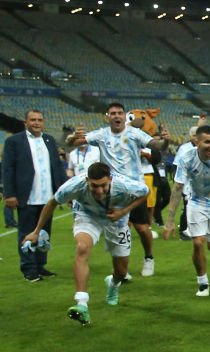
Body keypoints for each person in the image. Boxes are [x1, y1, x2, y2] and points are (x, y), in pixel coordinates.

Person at [21, 162, 148, 324]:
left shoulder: (124, 184)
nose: (99, 191)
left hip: (117, 220)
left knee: (122, 272)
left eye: (103, 185)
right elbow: (52, 203)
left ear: (110, 179)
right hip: (87, 217)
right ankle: (82, 304)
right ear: (87, 180)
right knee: (82, 247)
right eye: (94, 186)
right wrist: (36, 231)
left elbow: (145, 192)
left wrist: (123, 211)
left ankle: (113, 283)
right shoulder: (75, 185)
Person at [66, 102, 168, 277]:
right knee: (118, 230)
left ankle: (149, 257)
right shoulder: (101, 134)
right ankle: (121, 268)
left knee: (143, 228)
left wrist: (165, 140)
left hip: (134, 189)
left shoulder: (135, 134)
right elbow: (74, 143)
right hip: (112, 191)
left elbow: (155, 146)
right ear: (108, 117)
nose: (117, 116)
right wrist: (71, 138)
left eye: (120, 113)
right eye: (113, 113)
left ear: (123, 116)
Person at [161, 124, 210, 296]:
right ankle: (203, 282)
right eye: (207, 142)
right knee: (197, 242)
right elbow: (177, 188)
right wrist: (169, 221)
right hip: (197, 203)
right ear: (196, 142)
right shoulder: (186, 158)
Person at [2, 109, 65, 282]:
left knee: (44, 234)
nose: (36, 123)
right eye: (33, 120)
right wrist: (10, 194)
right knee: (27, 234)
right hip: (27, 196)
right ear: (26, 122)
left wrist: (62, 190)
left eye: (39, 120)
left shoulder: (49, 140)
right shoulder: (14, 141)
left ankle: (40, 265)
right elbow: (8, 169)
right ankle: (28, 269)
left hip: (48, 198)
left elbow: (57, 167)